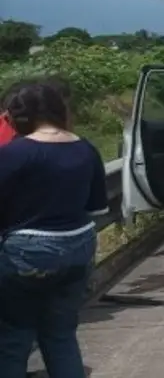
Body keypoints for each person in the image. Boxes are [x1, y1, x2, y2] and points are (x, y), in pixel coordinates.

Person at [0, 81, 109, 378]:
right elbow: (98, 208)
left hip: (27, 255)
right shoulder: (86, 148)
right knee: (60, 335)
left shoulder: (14, 153)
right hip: (79, 248)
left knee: (14, 338)